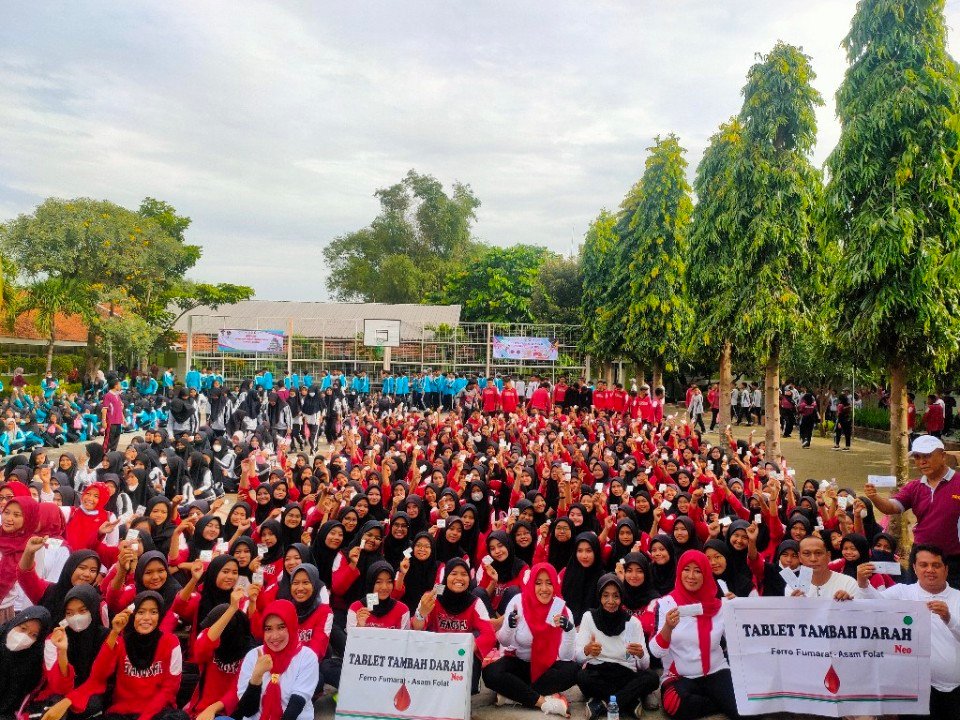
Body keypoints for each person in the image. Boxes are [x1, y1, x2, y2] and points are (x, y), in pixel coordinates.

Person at [855, 543, 960, 720]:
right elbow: (874, 608)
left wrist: (949, 618)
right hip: (912, 688)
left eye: (936, 565)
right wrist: (863, 584)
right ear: (914, 568)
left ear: (946, 569)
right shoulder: (902, 592)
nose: (930, 570)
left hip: (952, 690)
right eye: (923, 565)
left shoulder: (958, 597)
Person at [42, 591, 182, 720]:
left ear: (160, 615)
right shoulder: (120, 642)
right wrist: (114, 632)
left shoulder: (171, 643)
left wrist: (145, 718)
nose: (146, 618)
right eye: (140, 612)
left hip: (156, 712)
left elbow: (169, 690)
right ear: (132, 615)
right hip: (123, 712)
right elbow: (98, 677)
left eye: (153, 612)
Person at [650, 550, 740, 720]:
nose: (691, 576)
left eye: (698, 571)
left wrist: (737, 610)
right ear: (679, 571)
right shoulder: (666, 604)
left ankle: (718, 699)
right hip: (680, 676)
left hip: (715, 670)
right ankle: (718, 702)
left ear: (706, 574)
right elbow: (656, 652)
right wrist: (668, 627)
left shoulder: (719, 606)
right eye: (686, 569)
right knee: (675, 705)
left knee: (743, 710)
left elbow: (737, 641)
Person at [482, 563, 578, 716]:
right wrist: (509, 626)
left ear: (555, 584)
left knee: (574, 670)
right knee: (490, 673)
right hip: (519, 663)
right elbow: (504, 642)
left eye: (549, 583)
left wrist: (569, 631)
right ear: (532, 583)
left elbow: (566, 657)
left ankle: (515, 694)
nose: (544, 589)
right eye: (538, 583)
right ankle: (543, 702)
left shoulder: (561, 609)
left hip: (545, 668)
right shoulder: (519, 602)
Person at [865, 434, 960, 588]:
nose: (922, 461)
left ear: (943, 456)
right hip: (920, 556)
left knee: (953, 600)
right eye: (917, 457)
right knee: (916, 599)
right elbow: (892, 507)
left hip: (953, 560)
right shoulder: (914, 487)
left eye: (927, 455)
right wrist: (874, 497)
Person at [576, 574, 659, 720]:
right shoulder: (589, 617)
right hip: (598, 673)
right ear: (599, 597)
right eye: (605, 595)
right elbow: (578, 658)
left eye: (616, 596)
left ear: (621, 598)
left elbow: (644, 665)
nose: (611, 601)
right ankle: (629, 702)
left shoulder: (633, 623)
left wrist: (640, 654)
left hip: (625, 674)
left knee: (652, 678)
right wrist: (587, 650)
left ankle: (602, 703)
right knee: (581, 677)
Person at [233, 599, 319, 720]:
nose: (274, 636)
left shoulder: (306, 657)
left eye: (281, 627)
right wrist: (257, 676)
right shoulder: (253, 656)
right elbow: (247, 711)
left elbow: (295, 708)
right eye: (268, 629)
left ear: (291, 626)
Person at [0, 605, 53, 720]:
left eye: (33, 635)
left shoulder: (32, 661)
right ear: (16, 622)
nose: (24, 637)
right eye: (23, 628)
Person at [790, 535, 857, 600]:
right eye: (806, 553)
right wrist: (794, 605)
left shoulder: (848, 583)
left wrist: (848, 604)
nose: (813, 559)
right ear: (799, 557)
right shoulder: (793, 587)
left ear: (828, 556)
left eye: (818, 553)